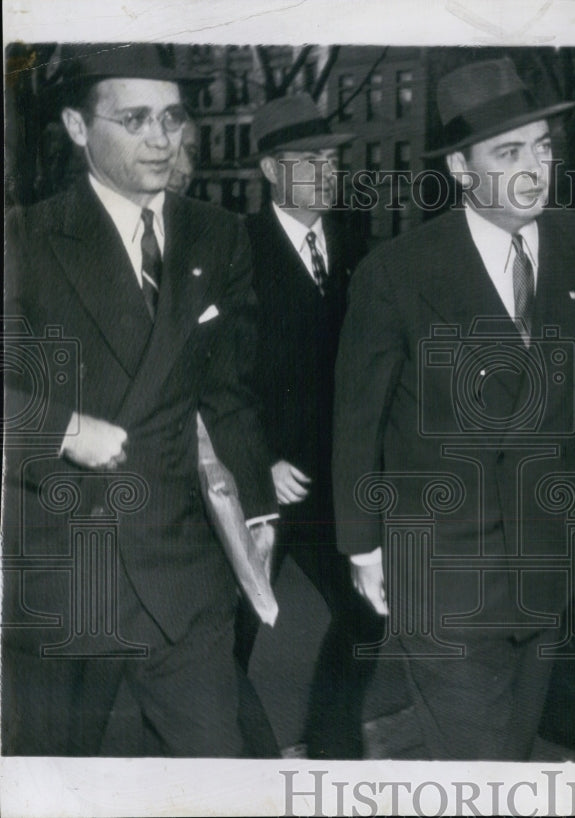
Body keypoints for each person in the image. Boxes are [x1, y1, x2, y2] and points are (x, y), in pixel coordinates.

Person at [332, 57, 575, 760]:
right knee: (479, 765)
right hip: (441, 571)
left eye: (543, 147)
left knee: (514, 751)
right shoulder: (398, 272)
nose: (535, 167)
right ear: (464, 171)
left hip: (547, 557)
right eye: (509, 152)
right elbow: (358, 422)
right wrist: (362, 546)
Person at [2, 44, 277, 756]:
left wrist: (258, 510)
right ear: (74, 125)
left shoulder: (218, 236)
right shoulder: (23, 239)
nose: (162, 138)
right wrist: (59, 429)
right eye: (133, 118)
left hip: (182, 574)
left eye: (172, 116)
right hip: (66, 574)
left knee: (221, 772)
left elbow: (229, 393)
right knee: (52, 782)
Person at [235, 94, 375, 757]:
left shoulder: (355, 241)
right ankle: (241, 765)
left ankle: (333, 747)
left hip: (335, 478)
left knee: (368, 609)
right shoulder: (237, 252)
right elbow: (213, 376)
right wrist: (257, 457)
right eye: (306, 160)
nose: (326, 171)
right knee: (233, 631)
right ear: (269, 171)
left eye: (330, 158)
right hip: (262, 485)